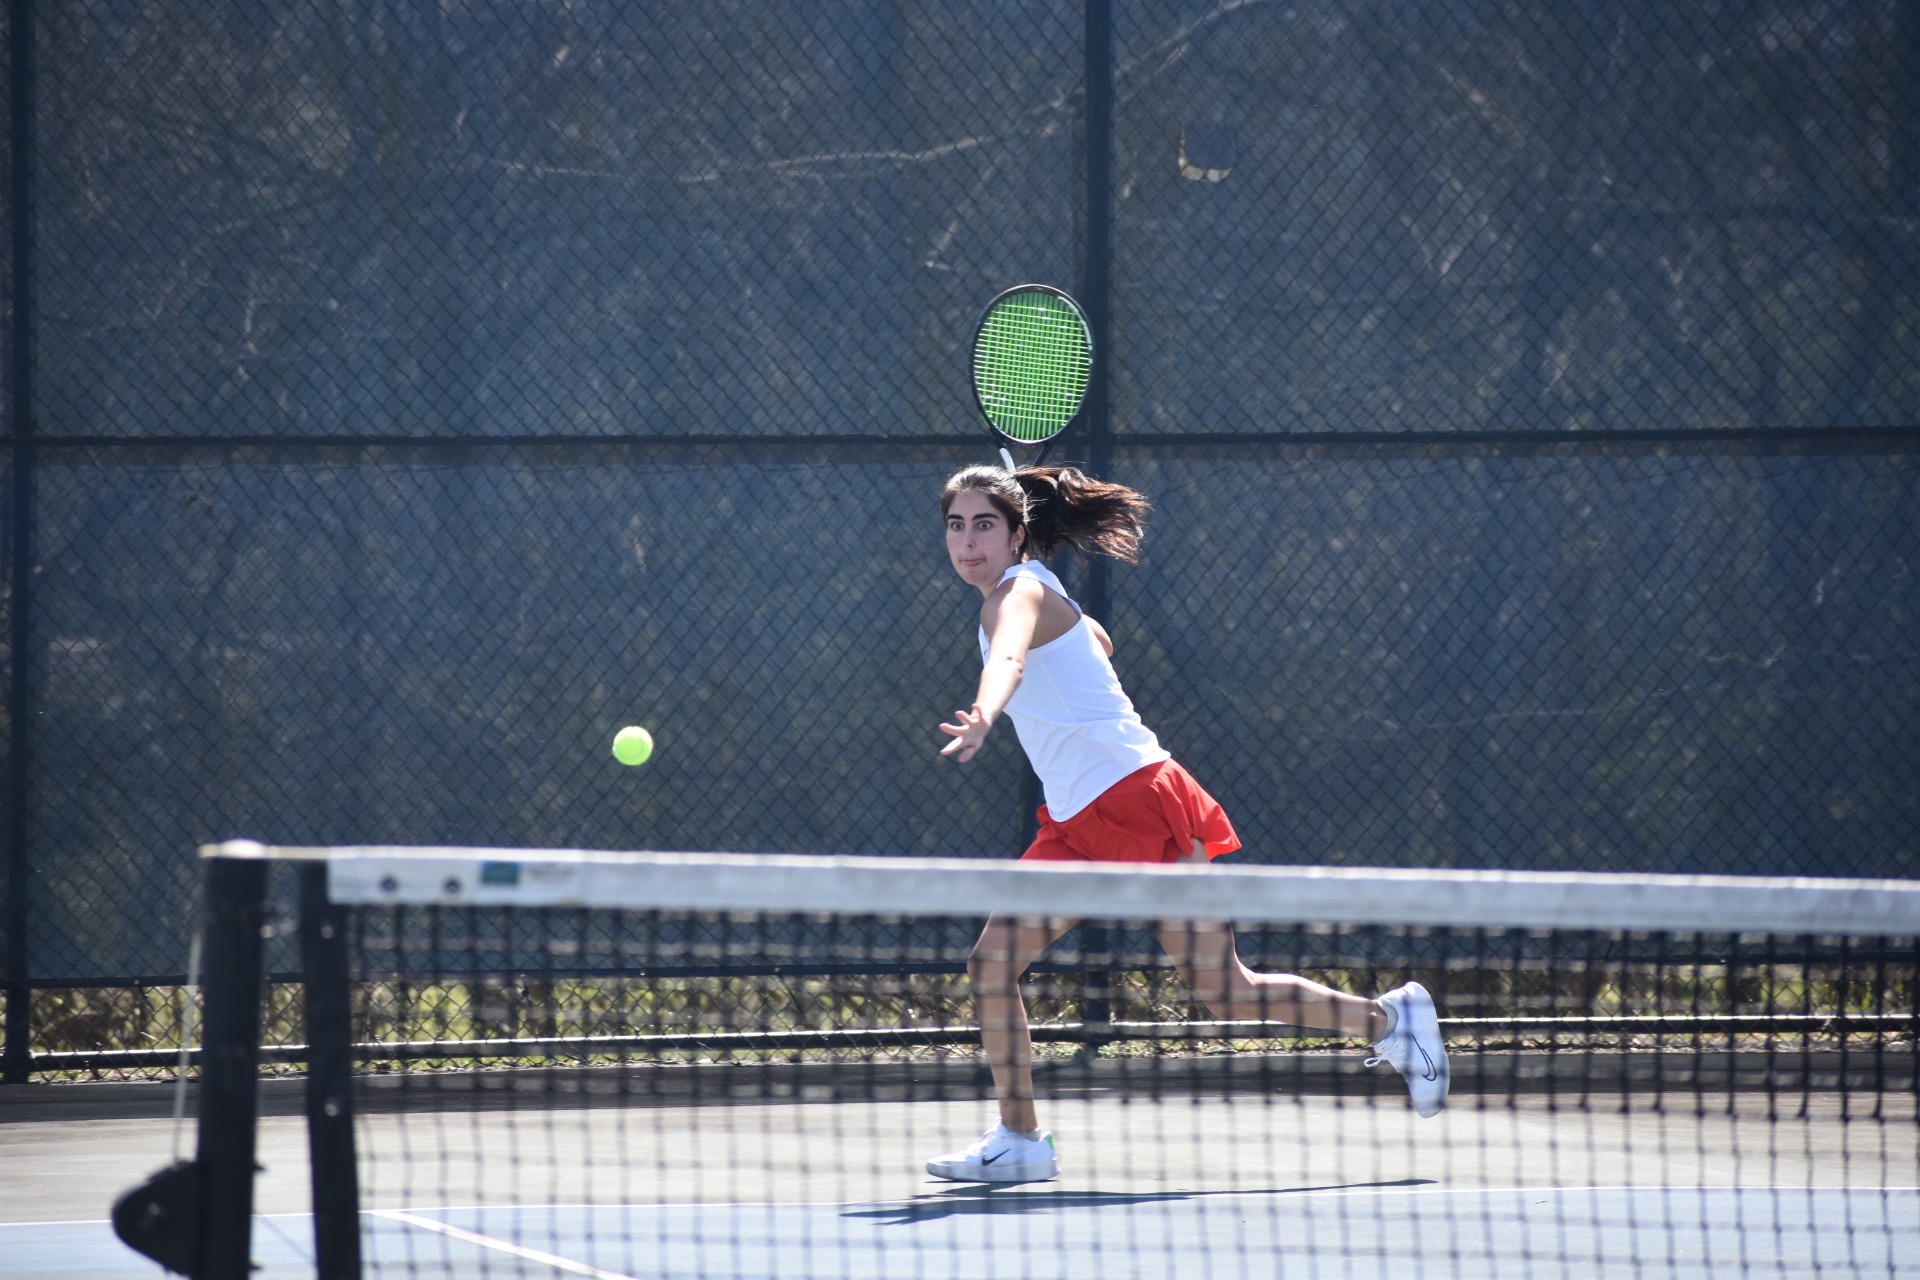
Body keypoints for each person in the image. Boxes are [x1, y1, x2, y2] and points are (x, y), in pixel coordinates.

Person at [925, 462, 1447, 1184]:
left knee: (1223, 988)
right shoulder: (1040, 589)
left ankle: (1394, 1023)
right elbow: (1092, 643)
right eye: (956, 525)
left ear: (1017, 535)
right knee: (991, 964)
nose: (968, 540)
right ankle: (1021, 1141)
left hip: (1142, 803)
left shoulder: (1015, 596)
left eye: (985, 524)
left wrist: (987, 709)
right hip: (1078, 823)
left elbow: (1012, 653)